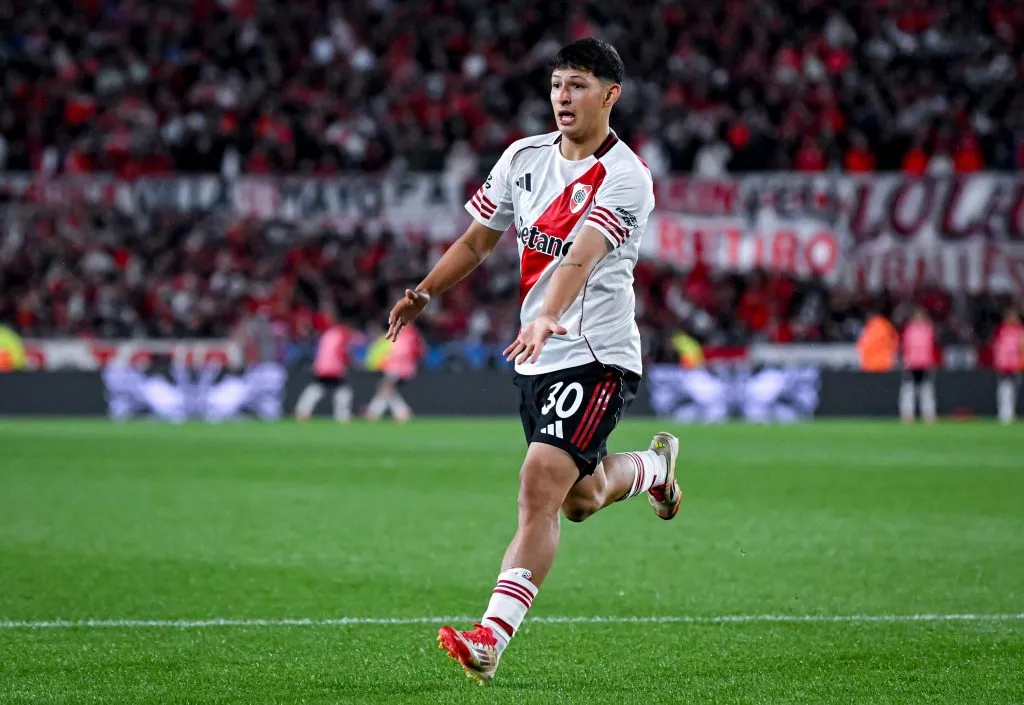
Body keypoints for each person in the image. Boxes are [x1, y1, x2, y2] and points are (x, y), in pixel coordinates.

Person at [385, 38, 682, 684]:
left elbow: (583, 253)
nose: (562, 98)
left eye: (576, 85)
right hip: (538, 355)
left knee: (538, 483)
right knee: (579, 497)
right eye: (556, 86)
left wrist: (550, 311)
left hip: (597, 354)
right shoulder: (522, 158)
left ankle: (490, 637)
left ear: (611, 95)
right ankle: (655, 465)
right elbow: (477, 238)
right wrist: (424, 293)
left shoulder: (626, 176)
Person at [293, 314, 358, 423]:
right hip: (334, 367)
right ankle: (343, 416)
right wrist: (349, 362)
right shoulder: (342, 334)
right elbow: (343, 352)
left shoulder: (327, 334)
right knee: (343, 390)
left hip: (321, 366)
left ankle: (302, 411)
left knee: (317, 388)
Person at [364, 322, 424, 422]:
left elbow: (403, 353)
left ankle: (375, 412)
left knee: (385, 387)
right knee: (387, 388)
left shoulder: (408, 335)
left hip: (401, 367)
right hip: (397, 366)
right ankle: (401, 412)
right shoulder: (405, 334)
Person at [899, 306, 938, 423]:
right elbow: (905, 347)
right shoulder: (908, 330)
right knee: (908, 390)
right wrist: (905, 361)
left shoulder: (928, 330)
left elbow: (931, 347)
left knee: (926, 390)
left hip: (925, 363)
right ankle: (907, 414)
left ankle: (929, 415)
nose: (919, 318)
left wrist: (931, 361)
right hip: (911, 364)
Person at [993, 309, 1024, 424]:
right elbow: (998, 348)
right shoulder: (1001, 330)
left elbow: (1022, 348)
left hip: (1015, 364)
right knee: (1004, 390)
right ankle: (1004, 414)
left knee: (1013, 390)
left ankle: (1010, 414)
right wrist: (998, 362)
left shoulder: (1020, 331)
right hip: (1003, 364)